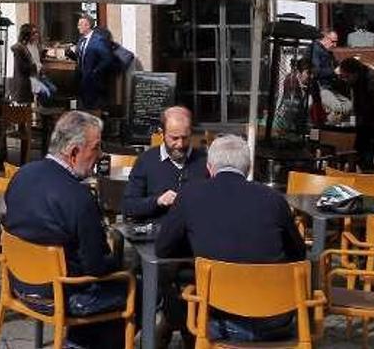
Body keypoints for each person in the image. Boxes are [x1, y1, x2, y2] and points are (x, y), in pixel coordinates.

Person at [156, 135, 306, 343]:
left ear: (209, 167)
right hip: (277, 320)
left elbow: (163, 249)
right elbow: (299, 254)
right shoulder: (274, 200)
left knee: (174, 284)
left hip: (219, 321)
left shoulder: (190, 195)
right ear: (248, 167)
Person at [4, 111, 128, 347]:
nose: (101, 155)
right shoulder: (79, 198)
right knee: (138, 289)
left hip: (19, 284)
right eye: (96, 148)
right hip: (60, 295)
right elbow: (96, 266)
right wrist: (123, 262)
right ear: (73, 153)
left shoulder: (22, 175)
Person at [123, 106, 208, 221]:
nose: (180, 144)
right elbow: (129, 206)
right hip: (156, 233)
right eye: (174, 138)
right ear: (162, 133)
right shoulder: (146, 161)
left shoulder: (204, 161)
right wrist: (158, 201)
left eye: (185, 138)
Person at [337, 57, 374, 169]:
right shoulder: (357, 83)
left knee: (371, 163)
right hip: (365, 127)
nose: (345, 80)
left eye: (347, 76)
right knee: (362, 159)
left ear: (355, 73)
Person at [71, 14, 113, 110]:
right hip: (81, 81)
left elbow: (107, 59)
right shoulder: (81, 39)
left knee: (93, 109)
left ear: (88, 25)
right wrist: (69, 53)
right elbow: (80, 58)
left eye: (80, 24)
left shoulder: (98, 40)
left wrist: (95, 71)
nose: (78, 27)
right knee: (83, 109)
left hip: (94, 82)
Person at [274, 57, 314, 141]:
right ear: (299, 72)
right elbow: (292, 110)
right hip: (286, 124)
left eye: (313, 73)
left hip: (295, 124)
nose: (311, 76)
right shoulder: (291, 82)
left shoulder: (307, 85)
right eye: (308, 73)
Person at [10, 23, 46, 104]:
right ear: (27, 35)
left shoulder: (31, 46)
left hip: (31, 80)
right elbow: (22, 67)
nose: (36, 35)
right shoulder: (20, 49)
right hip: (24, 83)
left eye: (37, 33)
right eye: (33, 33)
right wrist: (36, 66)